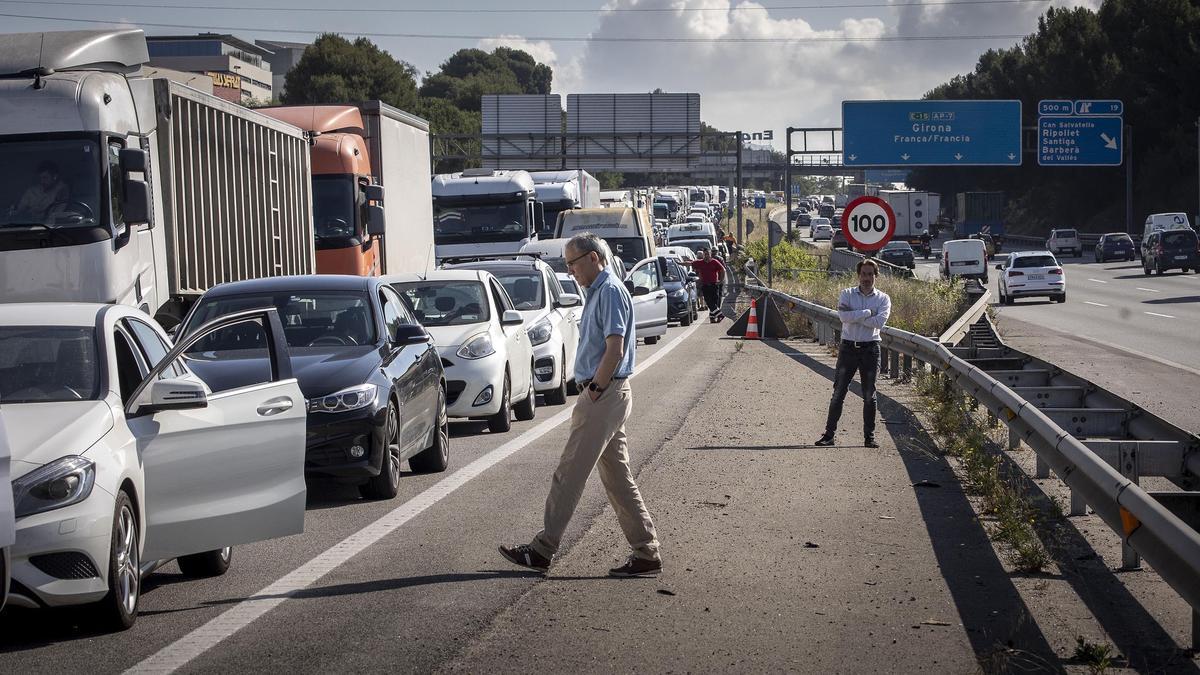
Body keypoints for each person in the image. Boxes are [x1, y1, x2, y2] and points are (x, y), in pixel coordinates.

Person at [499, 233, 662, 578]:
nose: (570, 270)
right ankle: (646, 552)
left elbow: (615, 348)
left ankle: (543, 549)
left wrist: (595, 390)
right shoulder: (599, 292)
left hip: (604, 393)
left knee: (569, 472)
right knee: (618, 479)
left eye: (573, 263)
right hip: (606, 393)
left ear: (592, 258)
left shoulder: (610, 291)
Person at [815, 259, 892, 449]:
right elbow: (843, 317)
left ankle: (869, 437)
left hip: (870, 349)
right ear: (858, 275)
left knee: (869, 395)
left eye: (870, 274)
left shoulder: (883, 299)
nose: (866, 278)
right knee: (838, 392)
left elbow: (879, 323)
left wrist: (855, 315)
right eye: (864, 274)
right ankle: (829, 435)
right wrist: (867, 312)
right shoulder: (847, 294)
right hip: (848, 348)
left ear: (876, 276)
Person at [681, 248, 726, 323]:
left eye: (708, 254)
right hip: (705, 285)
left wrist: (721, 280)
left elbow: (723, 270)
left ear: (710, 254)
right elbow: (689, 263)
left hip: (714, 285)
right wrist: (679, 263)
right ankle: (720, 315)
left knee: (714, 302)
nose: (707, 256)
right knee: (708, 302)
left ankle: (712, 317)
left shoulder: (714, 262)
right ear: (703, 255)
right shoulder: (700, 262)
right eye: (705, 254)